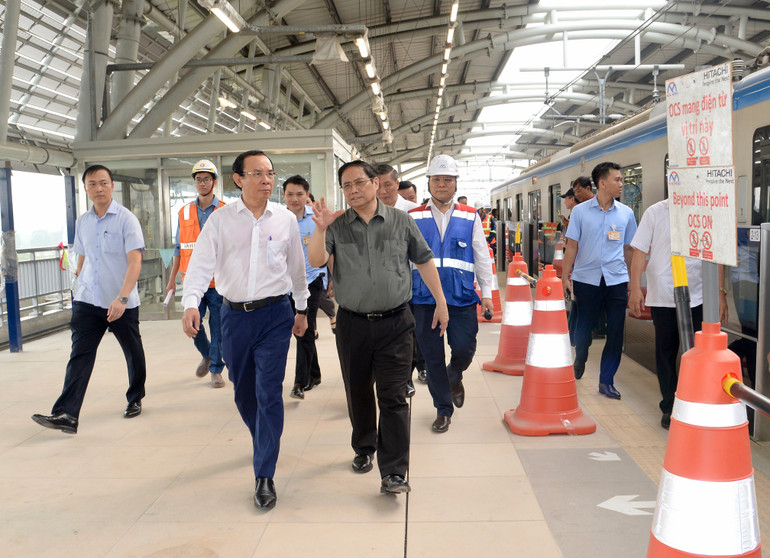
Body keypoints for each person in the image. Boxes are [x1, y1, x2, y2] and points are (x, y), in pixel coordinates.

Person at [308, 160, 448, 495]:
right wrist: (321, 230)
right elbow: (315, 260)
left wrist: (440, 302)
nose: (353, 190)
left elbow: (424, 260)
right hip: (352, 324)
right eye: (346, 185)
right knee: (357, 392)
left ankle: (394, 472)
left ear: (375, 183)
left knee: (393, 396)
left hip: (396, 323)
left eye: (359, 182)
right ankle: (363, 447)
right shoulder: (337, 226)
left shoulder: (401, 221)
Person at [181, 150, 309, 510]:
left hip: (275, 315)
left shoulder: (284, 219)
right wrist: (191, 302)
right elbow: (200, 264)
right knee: (243, 392)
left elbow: (297, 268)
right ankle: (264, 439)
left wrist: (302, 308)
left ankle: (264, 473)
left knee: (269, 391)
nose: (266, 180)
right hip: (234, 316)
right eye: (257, 174)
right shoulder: (220, 220)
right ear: (239, 179)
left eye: (270, 173)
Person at [32, 165, 147, 434]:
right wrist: (78, 281)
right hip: (87, 300)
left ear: (112, 186)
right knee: (80, 355)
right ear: (85, 188)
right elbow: (82, 255)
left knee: (132, 352)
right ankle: (67, 414)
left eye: (103, 183)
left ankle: (135, 397)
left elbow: (135, 262)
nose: (99, 188)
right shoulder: (82, 221)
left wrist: (122, 297)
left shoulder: (126, 220)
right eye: (92, 184)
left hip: (120, 302)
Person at [409, 154, 494, 433]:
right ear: (429, 182)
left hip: (461, 297)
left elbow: (482, 256)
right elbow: (404, 259)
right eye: (437, 179)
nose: (442, 184)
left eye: (447, 179)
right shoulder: (414, 216)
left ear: (456, 183)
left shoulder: (470, 216)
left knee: (465, 348)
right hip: (424, 299)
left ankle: (455, 373)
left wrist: (487, 293)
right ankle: (443, 409)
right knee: (432, 357)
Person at [628, 198, 728, 429]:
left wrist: (720, 293)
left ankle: (697, 401)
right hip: (664, 294)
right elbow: (639, 252)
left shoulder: (706, 211)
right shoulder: (655, 212)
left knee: (700, 352)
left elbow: (716, 255)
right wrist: (635, 288)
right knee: (666, 351)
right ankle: (670, 406)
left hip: (699, 294)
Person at [561, 162, 637, 399]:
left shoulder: (626, 213)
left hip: (616, 280)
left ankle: (606, 381)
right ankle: (581, 357)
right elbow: (572, 246)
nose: (621, 184)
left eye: (621, 180)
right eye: (617, 179)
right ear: (602, 183)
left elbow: (629, 249)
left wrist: (634, 282)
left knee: (615, 331)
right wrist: (565, 276)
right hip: (586, 279)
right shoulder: (580, 212)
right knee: (584, 328)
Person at [166, 159, 226, 388]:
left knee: (219, 329)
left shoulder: (225, 211)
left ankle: (216, 370)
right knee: (193, 326)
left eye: (206, 179)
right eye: (198, 179)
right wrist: (171, 279)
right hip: (193, 282)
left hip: (219, 281)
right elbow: (178, 248)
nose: (202, 183)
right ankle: (207, 354)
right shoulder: (184, 212)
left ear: (214, 182)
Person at [375, 163, 421, 397]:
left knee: (407, 334)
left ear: (397, 184)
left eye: (388, 185)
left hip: (412, 283)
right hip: (381, 286)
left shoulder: (415, 211)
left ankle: (406, 378)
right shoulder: (368, 212)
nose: (383, 191)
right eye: (378, 185)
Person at [282, 175, 324, 400]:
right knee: (301, 330)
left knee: (304, 330)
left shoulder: (316, 219)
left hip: (311, 281)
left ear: (307, 195)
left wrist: (330, 279)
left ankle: (300, 382)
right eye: (290, 194)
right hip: (285, 286)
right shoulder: (278, 219)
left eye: (299, 194)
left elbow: (327, 248)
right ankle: (314, 373)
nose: (294, 198)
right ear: (283, 196)